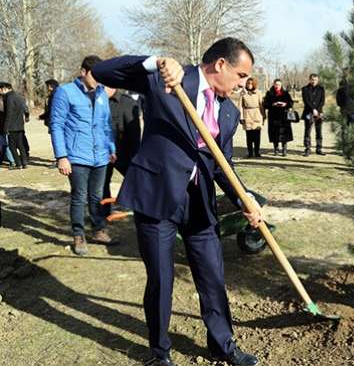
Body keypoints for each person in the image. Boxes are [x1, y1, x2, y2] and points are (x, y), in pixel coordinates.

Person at [91, 37, 261, 366]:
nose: (243, 84)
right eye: (240, 75)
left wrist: (245, 198)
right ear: (221, 65)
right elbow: (102, 71)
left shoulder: (227, 112)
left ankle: (223, 345)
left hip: (199, 203)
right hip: (157, 198)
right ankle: (160, 353)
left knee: (212, 276)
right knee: (161, 279)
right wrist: (154, 61)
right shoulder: (170, 80)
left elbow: (222, 164)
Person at [50, 55, 118, 256]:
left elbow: (106, 124)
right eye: (95, 76)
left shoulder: (101, 94)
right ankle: (78, 235)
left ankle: (98, 230)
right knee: (79, 196)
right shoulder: (65, 92)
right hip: (77, 156)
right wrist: (61, 156)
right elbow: (57, 125)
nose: (99, 80)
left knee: (97, 195)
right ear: (83, 72)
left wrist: (111, 148)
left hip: (100, 156)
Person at [101, 86, 141, 216]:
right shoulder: (98, 101)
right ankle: (103, 214)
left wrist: (134, 157)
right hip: (104, 154)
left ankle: (142, 212)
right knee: (103, 185)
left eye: (104, 86)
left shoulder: (127, 102)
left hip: (124, 153)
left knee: (137, 184)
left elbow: (134, 134)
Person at [0, 82, 30, 169]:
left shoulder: (8, 98)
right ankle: (24, 163)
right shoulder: (19, 96)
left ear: (4, 88)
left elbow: (8, 114)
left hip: (11, 126)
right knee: (21, 145)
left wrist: (6, 128)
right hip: (20, 125)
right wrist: (26, 116)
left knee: (12, 146)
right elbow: (25, 109)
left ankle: (18, 164)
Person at [264, 79, 293, 156]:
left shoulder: (285, 93)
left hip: (283, 116)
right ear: (273, 84)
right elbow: (265, 104)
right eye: (276, 84)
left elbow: (291, 103)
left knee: (284, 134)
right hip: (273, 116)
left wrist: (285, 104)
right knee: (274, 134)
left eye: (279, 85)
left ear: (281, 85)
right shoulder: (269, 93)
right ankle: (276, 150)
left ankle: (284, 150)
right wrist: (273, 104)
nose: (277, 86)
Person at [240, 77, 265, 158]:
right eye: (248, 83)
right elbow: (240, 105)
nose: (249, 85)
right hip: (247, 114)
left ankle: (257, 152)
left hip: (257, 114)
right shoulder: (243, 93)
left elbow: (261, 105)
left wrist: (264, 115)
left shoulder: (258, 93)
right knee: (249, 136)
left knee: (257, 135)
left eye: (251, 83)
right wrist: (241, 117)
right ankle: (250, 152)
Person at [301, 73, 325, 156]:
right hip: (308, 112)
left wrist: (318, 110)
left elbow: (322, 101)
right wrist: (313, 109)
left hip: (319, 112)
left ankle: (319, 148)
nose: (314, 81)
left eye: (315, 79)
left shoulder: (321, 89)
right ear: (310, 79)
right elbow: (306, 101)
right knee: (307, 131)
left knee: (319, 131)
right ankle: (307, 149)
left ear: (317, 80)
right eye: (312, 79)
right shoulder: (305, 89)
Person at [0, 83, 16, 167]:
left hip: (3, 125)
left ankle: (12, 160)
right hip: (3, 124)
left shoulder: (5, 98)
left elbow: (5, 112)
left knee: (5, 144)